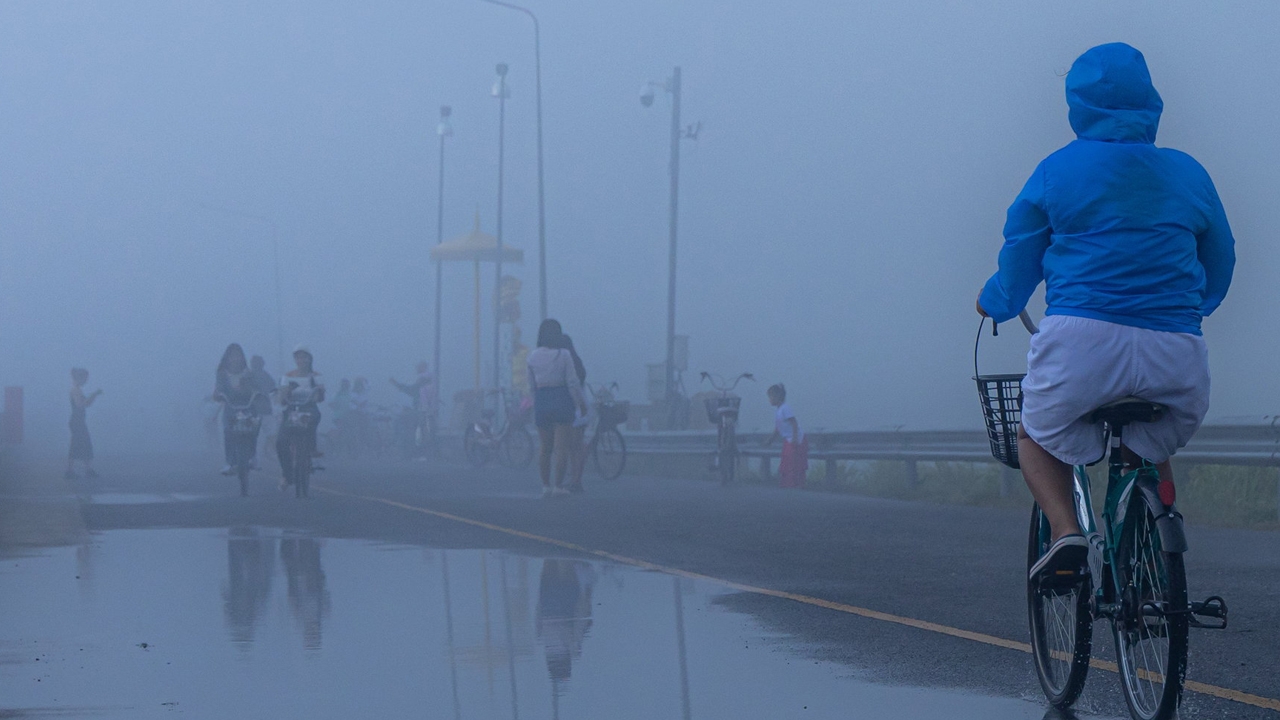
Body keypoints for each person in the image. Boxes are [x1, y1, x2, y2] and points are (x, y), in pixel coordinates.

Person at [976, 43, 1235, 582]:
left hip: (1083, 344)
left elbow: (1019, 261)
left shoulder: (1056, 171)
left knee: (1033, 436)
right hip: (1176, 351)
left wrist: (996, 301)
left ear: (1077, 105)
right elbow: (1221, 259)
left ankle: (1068, 531)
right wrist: (1190, 307)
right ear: (1152, 102)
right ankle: (1157, 556)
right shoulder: (1189, 173)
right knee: (1150, 439)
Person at [527, 319, 587, 498]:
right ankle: (558, 485)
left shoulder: (532, 357)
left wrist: (535, 403)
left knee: (545, 448)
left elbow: (531, 385)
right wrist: (580, 404)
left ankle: (545, 485)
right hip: (562, 400)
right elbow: (573, 382)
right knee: (561, 448)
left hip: (542, 400)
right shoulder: (564, 355)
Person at [276, 346, 326, 489]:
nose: (302, 360)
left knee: (314, 420)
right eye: (298, 357)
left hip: (309, 409)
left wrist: (319, 392)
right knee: (281, 442)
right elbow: (282, 396)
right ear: (295, 360)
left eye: (305, 357)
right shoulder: (288, 376)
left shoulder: (316, 376)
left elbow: (319, 397)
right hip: (291, 410)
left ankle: (312, 450)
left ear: (310, 359)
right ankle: (286, 474)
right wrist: (285, 395)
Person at [214, 343, 262, 475]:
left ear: (242, 358)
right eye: (232, 356)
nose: (235, 359)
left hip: (248, 406)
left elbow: (256, 388)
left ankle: (252, 457)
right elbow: (219, 389)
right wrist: (218, 395)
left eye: (238, 355)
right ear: (227, 358)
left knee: (254, 427)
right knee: (227, 431)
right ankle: (229, 462)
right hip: (230, 407)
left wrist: (251, 391)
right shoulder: (222, 374)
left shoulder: (248, 373)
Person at [558, 334, 590, 493]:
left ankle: (576, 480)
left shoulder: (568, 363)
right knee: (574, 445)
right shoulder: (576, 361)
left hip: (575, 406)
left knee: (575, 445)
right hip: (578, 405)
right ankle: (575, 479)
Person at [764, 383, 807, 489]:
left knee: (794, 463)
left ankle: (795, 484)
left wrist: (795, 438)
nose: (769, 399)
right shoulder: (779, 411)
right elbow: (778, 428)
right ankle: (787, 484)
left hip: (796, 440)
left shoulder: (785, 408)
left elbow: (794, 422)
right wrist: (770, 440)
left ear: (777, 397)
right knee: (787, 462)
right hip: (788, 440)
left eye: (770, 397)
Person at [65, 368, 102, 480]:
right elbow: (80, 405)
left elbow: (86, 404)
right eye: (85, 379)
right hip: (77, 421)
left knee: (81, 444)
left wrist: (94, 395)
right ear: (79, 378)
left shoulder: (77, 390)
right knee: (80, 444)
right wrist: (93, 395)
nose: (86, 381)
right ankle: (74, 470)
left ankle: (83, 470)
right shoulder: (76, 390)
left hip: (78, 420)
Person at [248, 355, 277, 466]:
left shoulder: (265, 376)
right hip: (254, 410)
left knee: (270, 433)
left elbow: (273, 389)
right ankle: (254, 455)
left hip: (264, 409)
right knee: (254, 434)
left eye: (259, 362)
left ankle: (268, 452)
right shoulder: (249, 376)